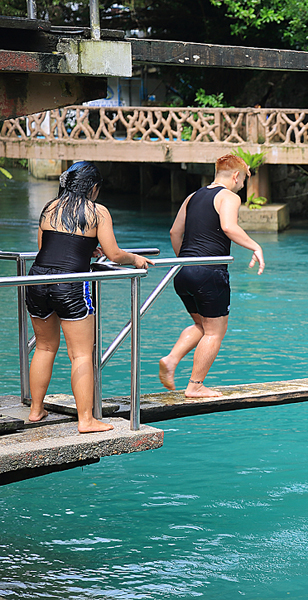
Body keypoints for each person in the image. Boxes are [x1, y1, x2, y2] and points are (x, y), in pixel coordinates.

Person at [26, 161, 152, 433]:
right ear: (93, 188)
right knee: (82, 354)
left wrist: (85, 248)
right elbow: (115, 254)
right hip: (70, 284)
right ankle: (86, 420)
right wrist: (136, 259)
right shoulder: (97, 212)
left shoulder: (50, 207)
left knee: (45, 347)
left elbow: (44, 248)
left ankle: (36, 411)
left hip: (37, 280)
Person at [158, 154, 265, 398]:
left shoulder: (192, 197)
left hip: (183, 272)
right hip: (209, 272)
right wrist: (255, 246)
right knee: (215, 332)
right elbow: (229, 227)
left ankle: (171, 360)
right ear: (236, 176)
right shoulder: (229, 196)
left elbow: (175, 232)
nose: (242, 186)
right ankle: (195, 385)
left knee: (202, 325)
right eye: (243, 180)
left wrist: (188, 263)